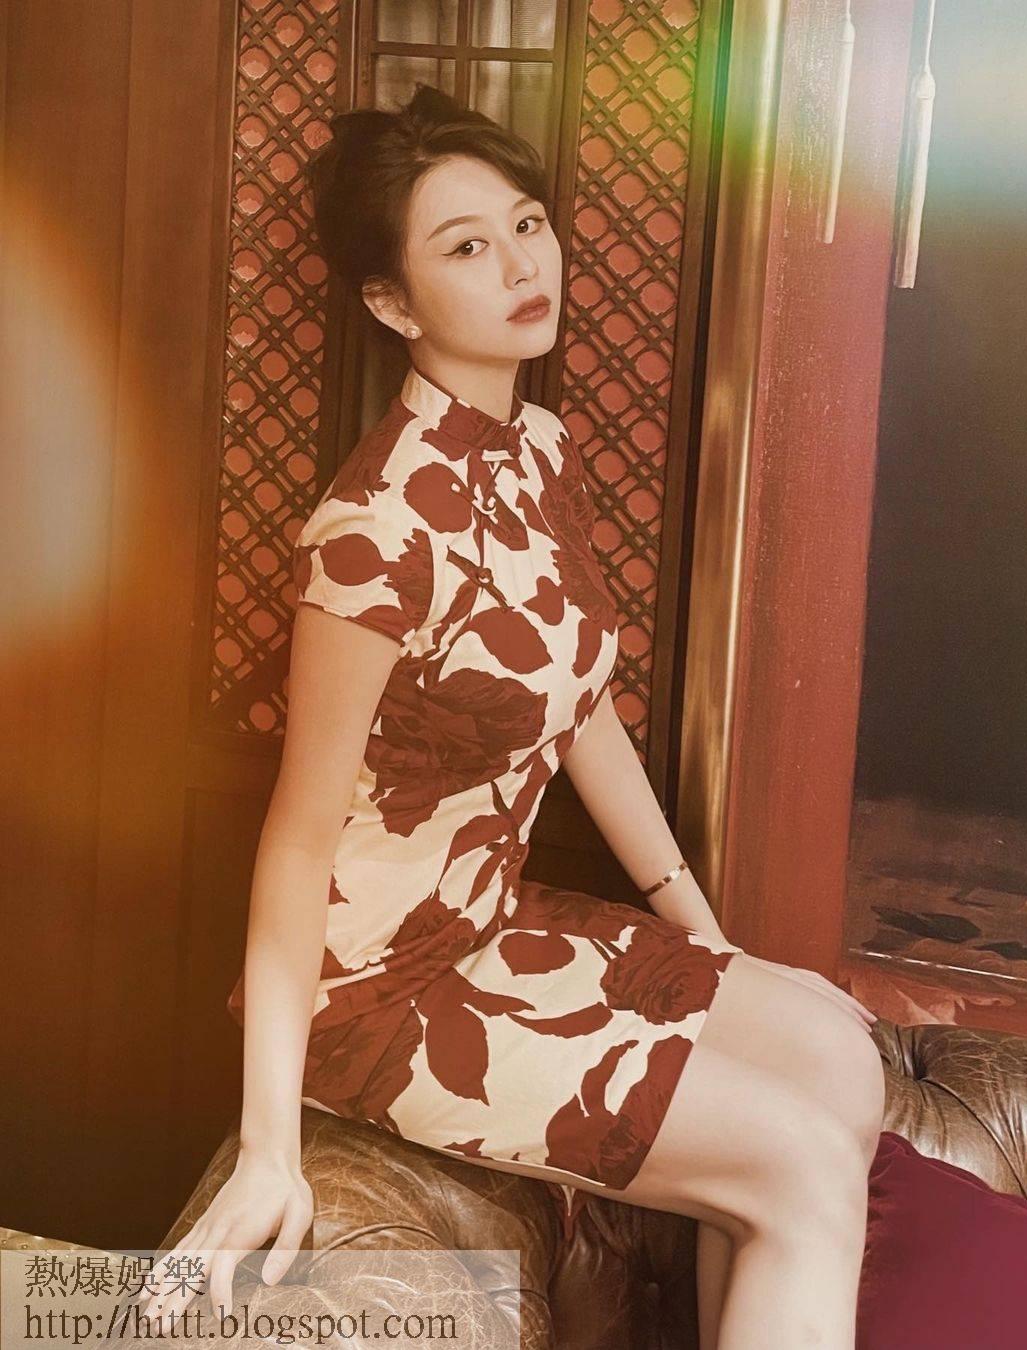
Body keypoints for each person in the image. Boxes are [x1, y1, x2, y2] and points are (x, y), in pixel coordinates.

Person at [140, 85, 885, 1349]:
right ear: (394, 304)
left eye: (527, 224)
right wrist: (269, 1143)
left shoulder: (538, 448)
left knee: (840, 1055)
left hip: (491, 924)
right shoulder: (373, 534)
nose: (521, 265)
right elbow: (298, 842)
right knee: (804, 1165)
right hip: (376, 990)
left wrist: (701, 935)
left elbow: (576, 701)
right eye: (467, 246)